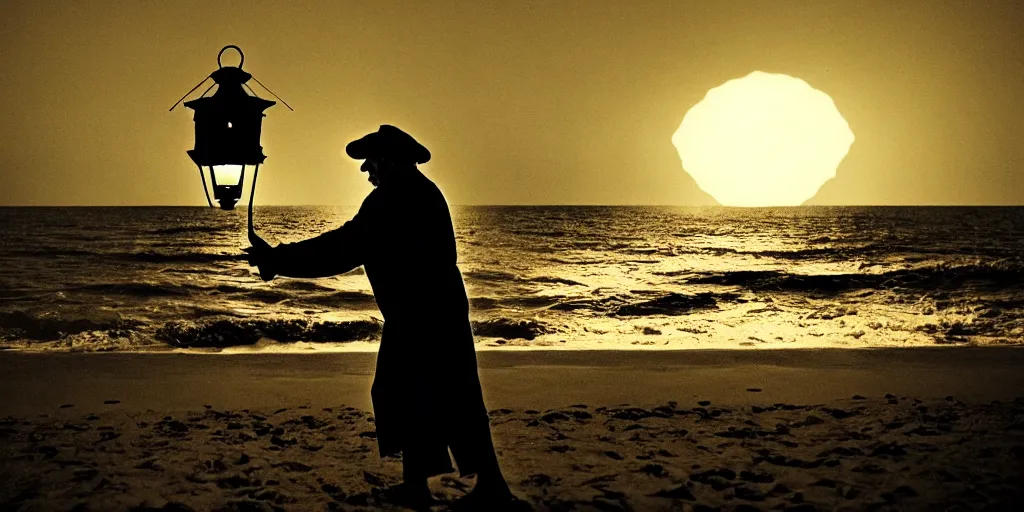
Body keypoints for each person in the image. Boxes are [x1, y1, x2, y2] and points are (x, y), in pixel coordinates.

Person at [245, 125, 523, 509]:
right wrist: (280, 257)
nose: (365, 169)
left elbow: (341, 248)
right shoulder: (423, 193)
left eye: (370, 160)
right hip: (437, 317)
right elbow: (346, 246)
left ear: (389, 161)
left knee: (434, 403)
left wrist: (277, 258)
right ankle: (445, 486)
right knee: (444, 403)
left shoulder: (391, 200)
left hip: (419, 323)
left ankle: (465, 490)